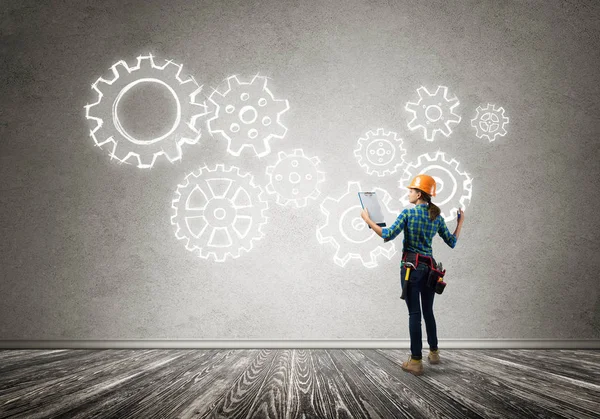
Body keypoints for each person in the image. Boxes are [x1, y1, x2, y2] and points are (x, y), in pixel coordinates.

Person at [360, 174, 464, 376]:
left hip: (411, 269)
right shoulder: (437, 217)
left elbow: (387, 234)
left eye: (411, 191)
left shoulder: (408, 214)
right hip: (431, 271)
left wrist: (368, 220)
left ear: (419, 193)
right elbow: (452, 241)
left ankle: (415, 361)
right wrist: (460, 223)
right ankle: (434, 353)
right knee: (428, 312)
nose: (408, 194)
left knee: (414, 314)